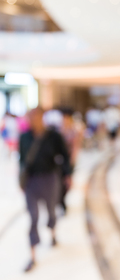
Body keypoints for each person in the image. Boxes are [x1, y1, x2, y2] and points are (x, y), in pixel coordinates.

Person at [19, 107, 71, 272]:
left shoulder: (53, 136)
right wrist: (21, 180)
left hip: (49, 178)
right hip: (31, 181)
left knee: (51, 210)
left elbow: (64, 155)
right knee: (33, 216)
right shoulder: (25, 137)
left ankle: (53, 234)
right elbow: (21, 160)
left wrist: (67, 175)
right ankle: (33, 254)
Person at [58, 108, 83, 214]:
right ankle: (60, 200)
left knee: (68, 182)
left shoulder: (73, 130)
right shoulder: (58, 130)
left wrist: (73, 160)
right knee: (59, 181)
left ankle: (62, 199)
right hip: (59, 161)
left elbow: (75, 146)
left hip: (69, 160)